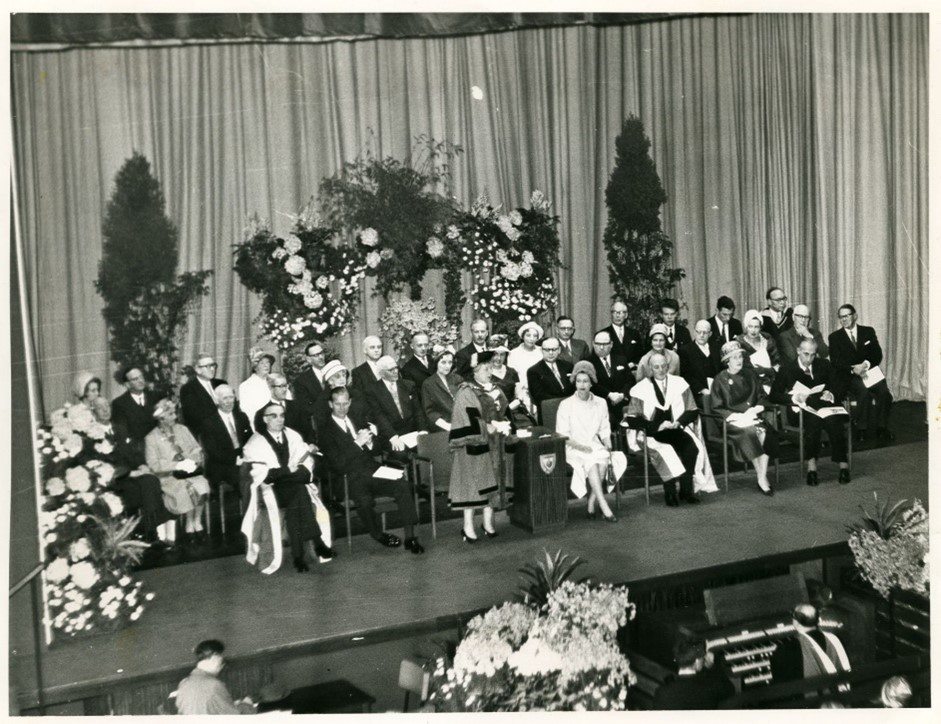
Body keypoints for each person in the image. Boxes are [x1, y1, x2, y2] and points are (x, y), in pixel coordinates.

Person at [318, 388, 424, 554]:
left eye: (345, 403)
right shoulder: (325, 430)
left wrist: (369, 444)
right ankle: (378, 535)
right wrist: (357, 444)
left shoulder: (356, 420)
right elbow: (337, 464)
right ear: (330, 404)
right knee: (364, 501)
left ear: (350, 402)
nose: (342, 408)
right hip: (348, 478)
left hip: (372, 471)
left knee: (401, 485)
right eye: (337, 404)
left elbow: (376, 450)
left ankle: (410, 537)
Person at [241, 401, 336, 572]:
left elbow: (306, 465)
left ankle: (298, 556)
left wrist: (287, 473)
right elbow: (263, 475)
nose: (279, 419)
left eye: (282, 415)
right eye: (274, 416)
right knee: (299, 492)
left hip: (292, 487)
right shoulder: (255, 442)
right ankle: (316, 542)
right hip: (270, 490)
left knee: (297, 496)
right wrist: (287, 471)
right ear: (264, 419)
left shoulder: (293, 436)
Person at [625, 352, 717, 507]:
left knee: (692, 449)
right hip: (652, 433)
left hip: (676, 430)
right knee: (666, 452)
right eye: (656, 367)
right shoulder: (640, 389)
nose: (660, 370)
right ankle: (670, 491)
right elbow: (632, 419)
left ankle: (686, 490)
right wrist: (656, 426)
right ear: (650, 369)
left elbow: (693, 410)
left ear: (668, 366)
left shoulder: (679, 383)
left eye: (663, 366)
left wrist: (679, 422)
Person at [88, 397, 175, 546]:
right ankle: (146, 533)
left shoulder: (119, 428)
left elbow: (133, 452)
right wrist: (128, 473)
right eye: (100, 407)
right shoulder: (91, 435)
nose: (105, 410)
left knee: (151, 480)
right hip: (113, 479)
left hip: (132, 473)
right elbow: (100, 464)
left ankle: (151, 532)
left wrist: (141, 465)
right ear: (93, 412)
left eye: (107, 406)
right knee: (138, 489)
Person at [448, 351, 512, 541]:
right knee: (472, 487)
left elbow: (505, 411)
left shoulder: (496, 389)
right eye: (484, 368)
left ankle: (488, 522)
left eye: (490, 368)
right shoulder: (466, 391)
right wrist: (490, 426)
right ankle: (467, 526)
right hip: (473, 445)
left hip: (494, 445)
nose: (489, 372)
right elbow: (467, 419)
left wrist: (506, 423)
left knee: (493, 483)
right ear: (474, 372)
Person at [770, 339, 851, 486]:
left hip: (824, 408)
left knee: (834, 422)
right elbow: (774, 395)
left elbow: (840, 385)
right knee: (813, 422)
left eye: (813, 355)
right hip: (801, 411)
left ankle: (843, 465)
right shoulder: (787, 369)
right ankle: (811, 466)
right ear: (798, 351)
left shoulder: (824, 364)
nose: (809, 359)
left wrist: (831, 394)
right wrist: (793, 397)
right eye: (806, 354)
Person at [710, 341, 778, 496]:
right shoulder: (719, 379)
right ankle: (762, 478)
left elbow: (761, 395)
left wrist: (757, 407)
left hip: (752, 417)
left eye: (740, 356)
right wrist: (735, 416)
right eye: (734, 357)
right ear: (727, 360)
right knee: (751, 433)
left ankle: (761, 476)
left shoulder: (750, 374)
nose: (739, 360)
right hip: (733, 423)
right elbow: (717, 407)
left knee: (767, 432)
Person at [555, 361, 618, 522]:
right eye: (578, 381)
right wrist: (581, 447)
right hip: (572, 446)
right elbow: (562, 434)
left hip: (593, 444)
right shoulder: (566, 404)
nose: (581, 385)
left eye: (585, 381)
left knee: (602, 459)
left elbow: (604, 427)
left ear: (591, 383)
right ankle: (604, 506)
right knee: (591, 460)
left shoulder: (601, 402)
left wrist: (607, 441)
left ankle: (591, 503)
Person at [827, 304, 894, 444]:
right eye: (841, 317)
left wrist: (865, 365)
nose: (844, 319)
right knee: (863, 392)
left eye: (847, 316)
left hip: (869, 371)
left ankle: (881, 428)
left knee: (884, 393)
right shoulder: (835, 337)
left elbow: (877, 354)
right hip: (849, 375)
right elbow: (836, 362)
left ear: (855, 316)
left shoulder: (868, 331)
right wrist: (853, 369)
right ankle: (861, 429)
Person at [145, 399, 211, 540]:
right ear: (161, 418)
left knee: (202, 484)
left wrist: (190, 459)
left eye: (174, 413)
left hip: (190, 471)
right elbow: (153, 464)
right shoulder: (151, 438)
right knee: (186, 488)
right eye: (170, 414)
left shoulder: (182, 429)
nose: (175, 417)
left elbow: (196, 448)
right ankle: (188, 525)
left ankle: (195, 521)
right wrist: (176, 465)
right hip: (169, 476)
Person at [770, 604, 851, 684]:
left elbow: (781, 682)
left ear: (796, 622)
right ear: (817, 620)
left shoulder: (787, 647)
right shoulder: (834, 638)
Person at [200, 384, 253, 502]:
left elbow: (251, 440)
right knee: (247, 476)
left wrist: (247, 456)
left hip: (244, 459)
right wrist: (235, 460)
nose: (229, 401)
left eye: (231, 397)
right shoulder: (209, 422)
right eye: (225, 398)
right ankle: (247, 513)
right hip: (221, 465)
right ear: (216, 400)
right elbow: (213, 452)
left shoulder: (242, 417)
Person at [175, 639, 256, 715]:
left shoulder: (183, 684)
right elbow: (234, 717)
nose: (222, 664)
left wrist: (231, 704)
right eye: (221, 658)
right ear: (215, 656)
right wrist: (246, 704)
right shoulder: (214, 685)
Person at [651, 638, 734, 710]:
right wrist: (713, 667)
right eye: (703, 657)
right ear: (697, 662)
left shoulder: (662, 692)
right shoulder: (710, 687)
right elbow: (730, 690)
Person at [367, 355, 425, 456]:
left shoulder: (408, 385)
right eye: (391, 370)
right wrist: (393, 437)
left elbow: (418, 411)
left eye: (396, 368)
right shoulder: (373, 391)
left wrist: (422, 431)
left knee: (428, 448)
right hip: (391, 433)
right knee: (402, 454)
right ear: (382, 373)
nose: (395, 371)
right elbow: (379, 417)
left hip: (412, 431)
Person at [487, 334, 533, 427]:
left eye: (502, 354)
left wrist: (517, 402)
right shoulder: (485, 372)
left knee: (528, 427)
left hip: (514, 411)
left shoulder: (511, 371)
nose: (499, 358)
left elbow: (519, 393)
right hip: (494, 414)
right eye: (495, 354)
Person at [587, 331, 632, 428]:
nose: (601, 347)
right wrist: (609, 394)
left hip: (622, 402)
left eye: (605, 344)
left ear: (611, 344)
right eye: (598, 344)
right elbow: (591, 385)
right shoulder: (587, 362)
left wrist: (622, 395)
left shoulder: (621, 359)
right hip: (600, 405)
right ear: (593, 344)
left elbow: (630, 381)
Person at [526, 336, 574, 425]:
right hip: (549, 413)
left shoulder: (568, 366)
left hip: (571, 412)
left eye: (554, 349)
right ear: (541, 350)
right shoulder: (534, 371)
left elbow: (574, 388)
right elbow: (539, 396)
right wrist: (563, 402)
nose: (550, 353)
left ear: (559, 350)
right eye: (547, 350)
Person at [180, 354, 230, 437]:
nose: (212, 369)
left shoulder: (221, 383)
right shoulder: (188, 389)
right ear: (197, 369)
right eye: (208, 366)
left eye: (213, 365)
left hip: (228, 428)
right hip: (207, 435)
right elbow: (194, 418)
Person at [679, 320, 721, 408]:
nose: (701, 335)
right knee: (710, 404)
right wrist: (702, 389)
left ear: (710, 334)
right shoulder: (685, 350)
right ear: (694, 332)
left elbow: (721, 370)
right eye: (698, 332)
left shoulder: (716, 348)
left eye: (705, 332)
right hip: (697, 393)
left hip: (717, 389)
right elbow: (686, 375)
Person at [111, 367, 159, 444]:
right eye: (135, 379)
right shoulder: (119, 404)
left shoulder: (154, 397)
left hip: (158, 445)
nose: (141, 381)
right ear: (127, 385)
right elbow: (122, 435)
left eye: (141, 377)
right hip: (136, 449)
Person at [507, 320, 544, 416]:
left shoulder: (541, 352)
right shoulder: (514, 353)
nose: (531, 339)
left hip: (540, 391)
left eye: (534, 336)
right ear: (522, 336)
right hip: (521, 392)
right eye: (528, 335)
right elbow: (512, 376)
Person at [736, 309, 780, 389]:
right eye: (750, 326)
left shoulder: (768, 340)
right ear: (746, 327)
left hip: (771, 381)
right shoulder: (739, 344)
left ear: (760, 327)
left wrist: (766, 370)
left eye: (756, 327)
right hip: (750, 384)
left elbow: (777, 363)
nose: (753, 330)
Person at [421, 345, 462, 432]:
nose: (447, 366)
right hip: (443, 426)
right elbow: (430, 411)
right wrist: (446, 425)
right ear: (436, 363)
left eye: (450, 362)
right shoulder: (428, 384)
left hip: (462, 421)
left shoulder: (458, 379)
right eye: (443, 362)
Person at [265, 373, 315, 443]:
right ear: (270, 388)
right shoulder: (263, 413)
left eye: (285, 386)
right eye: (280, 386)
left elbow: (308, 431)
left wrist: (311, 444)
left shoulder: (298, 407)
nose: (285, 389)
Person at [598, 299, 643, 370]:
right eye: (614, 312)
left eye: (620, 312)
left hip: (631, 375)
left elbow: (640, 355)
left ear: (626, 315)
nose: (617, 316)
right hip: (611, 376)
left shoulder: (634, 334)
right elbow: (598, 357)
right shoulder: (603, 334)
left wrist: (633, 364)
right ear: (611, 314)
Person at [292, 341, 327, 429]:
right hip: (319, 425)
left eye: (321, 353)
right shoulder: (301, 381)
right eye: (316, 355)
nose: (321, 357)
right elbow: (305, 409)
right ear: (308, 359)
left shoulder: (334, 373)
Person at [238, 347, 277, 426]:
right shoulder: (246, 386)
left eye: (268, 362)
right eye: (262, 363)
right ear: (255, 366)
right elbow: (248, 412)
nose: (266, 365)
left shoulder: (276, 381)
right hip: (260, 425)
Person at [399, 332, 434, 397]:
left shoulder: (434, 361)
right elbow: (413, 396)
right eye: (419, 345)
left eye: (426, 345)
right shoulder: (407, 369)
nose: (423, 348)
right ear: (412, 346)